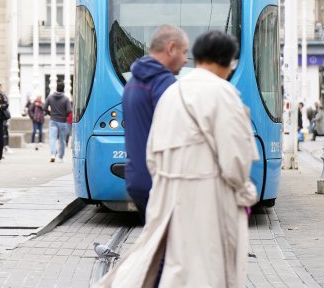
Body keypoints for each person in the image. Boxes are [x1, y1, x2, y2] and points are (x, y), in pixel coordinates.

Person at [95, 31, 258, 288]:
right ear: (228, 61)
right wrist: (246, 192)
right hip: (209, 198)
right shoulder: (223, 93)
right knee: (209, 270)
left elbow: (152, 151)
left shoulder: (173, 91)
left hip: (169, 195)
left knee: (176, 268)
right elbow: (235, 159)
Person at [122, 24, 188, 223]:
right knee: (171, 249)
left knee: (157, 245)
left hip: (137, 178)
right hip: (159, 181)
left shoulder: (133, 81)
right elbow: (178, 133)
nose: (186, 60)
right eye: (184, 52)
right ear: (171, 48)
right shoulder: (163, 83)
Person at [45, 81, 72, 164]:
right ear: (63, 88)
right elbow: (69, 111)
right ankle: (61, 157)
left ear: (56, 87)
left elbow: (44, 108)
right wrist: (64, 115)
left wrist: (51, 114)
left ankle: (53, 154)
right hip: (63, 121)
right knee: (62, 140)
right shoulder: (66, 99)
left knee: (52, 138)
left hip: (53, 120)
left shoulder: (50, 97)